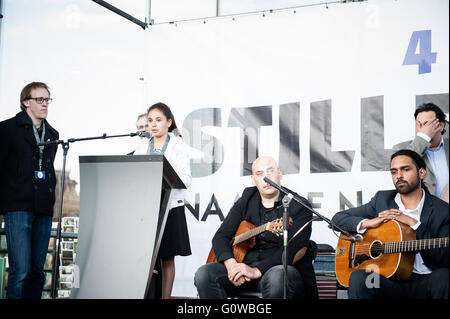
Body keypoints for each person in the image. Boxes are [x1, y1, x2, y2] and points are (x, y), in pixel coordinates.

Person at [194, 156, 318, 299]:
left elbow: (296, 249)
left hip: (279, 270)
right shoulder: (246, 199)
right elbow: (221, 236)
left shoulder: (298, 205)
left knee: (277, 277)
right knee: (205, 274)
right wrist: (231, 265)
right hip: (243, 267)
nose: (266, 178)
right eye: (260, 174)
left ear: (280, 174)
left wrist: (256, 270)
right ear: (253, 180)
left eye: (270, 172)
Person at [331, 149, 449, 299]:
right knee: (361, 278)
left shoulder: (443, 211)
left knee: (444, 277)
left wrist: (414, 224)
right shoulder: (382, 200)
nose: (399, 175)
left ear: (421, 173)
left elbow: (445, 258)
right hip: (389, 282)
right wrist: (368, 222)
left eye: (405, 169)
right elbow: (338, 219)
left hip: (425, 281)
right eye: (394, 172)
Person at [0, 82, 59, 299]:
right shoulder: (7, 130)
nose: (45, 104)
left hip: (43, 209)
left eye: (47, 100)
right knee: (20, 272)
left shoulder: (53, 134)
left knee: (37, 272)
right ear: (26, 102)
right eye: (39, 100)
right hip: (17, 210)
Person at [134, 102, 192, 299]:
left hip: (169, 206)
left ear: (169, 122)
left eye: (158, 120)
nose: (153, 124)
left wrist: (166, 174)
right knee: (144, 259)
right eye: (150, 120)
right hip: (146, 208)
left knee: (167, 258)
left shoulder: (178, 146)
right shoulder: (143, 145)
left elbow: (186, 178)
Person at [393, 103, 449, 198]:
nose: (421, 129)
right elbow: (405, 162)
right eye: (418, 124)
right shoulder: (400, 148)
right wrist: (424, 137)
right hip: (424, 209)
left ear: (441, 126)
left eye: (426, 124)